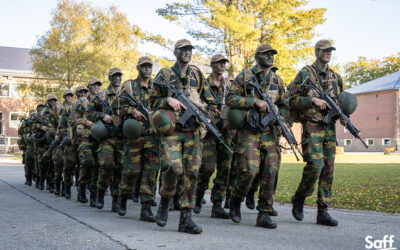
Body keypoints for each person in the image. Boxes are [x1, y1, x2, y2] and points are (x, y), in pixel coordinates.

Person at [150, 39, 215, 234]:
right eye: (183, 49)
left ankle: (186, 219)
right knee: (172, 167)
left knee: (192, 174)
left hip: (193, 132)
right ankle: (165, 199)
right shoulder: (165, 74)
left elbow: (209, 100)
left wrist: (207, 117)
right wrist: (166, 99)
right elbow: (151, 101)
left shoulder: (197, 75)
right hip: (172, 131)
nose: (187, 52)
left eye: (189, 49)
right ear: (176, 52)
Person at [225, 44, 288, 229]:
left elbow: (284, 105)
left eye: (272, 54)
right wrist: (253, 101)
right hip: (249, 131)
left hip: (269, 132)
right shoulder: (244, 77)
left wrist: (281, 117)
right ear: (257, 56)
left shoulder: (277, 81)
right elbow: (230, 98)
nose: (270, 57)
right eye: (266, 54)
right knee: (249, 171)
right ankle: (236, 199)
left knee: (270, 171)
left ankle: (264, 213)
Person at [288, 39, 343, 227]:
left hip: (329, 127)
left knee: (328, 168)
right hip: (312, 125)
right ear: (317, 52)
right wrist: (312, 101)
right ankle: (300, 196)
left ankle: (323, 211)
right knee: (315, 165)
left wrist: (344, 115)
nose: (329, 53)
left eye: (331, 50)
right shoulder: (305, 73)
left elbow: (340, 102)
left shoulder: (336, 77)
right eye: (325, 50)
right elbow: (291, 99)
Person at [114, 56, 160, 221]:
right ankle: (123, 196)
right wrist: (131, 111)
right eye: (144, 66)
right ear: (138, 68)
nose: (147, 69)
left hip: (153, 136)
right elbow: (116, 107)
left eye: (149, 66)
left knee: (151, 172)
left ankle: (146, 208)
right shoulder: (130, 86)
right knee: (131, 170)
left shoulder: (158, 86)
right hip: (135, 136)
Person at [194, 54, 233, 219]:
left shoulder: (230, 85)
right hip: (209, 132)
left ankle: (217, 205)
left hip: (226, 132)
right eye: (218, 63)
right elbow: (195, 103)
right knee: (207, 167)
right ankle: (198, 194)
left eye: (224, 63)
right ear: (212, 65)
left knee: (226, 169)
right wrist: (208, 111)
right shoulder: (204, 84)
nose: (222, 65)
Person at [88, 68, 124, 212]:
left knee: (120, 168)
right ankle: (100, 194)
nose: (117, 78)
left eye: (119, 76)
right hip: (107, 137)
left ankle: (116, 199)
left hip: (122, 136)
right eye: (114, 76)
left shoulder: (126, 93)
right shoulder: (101, 95)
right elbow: (89, 113)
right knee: (107, 165)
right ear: (109, 78)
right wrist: (102, 116)